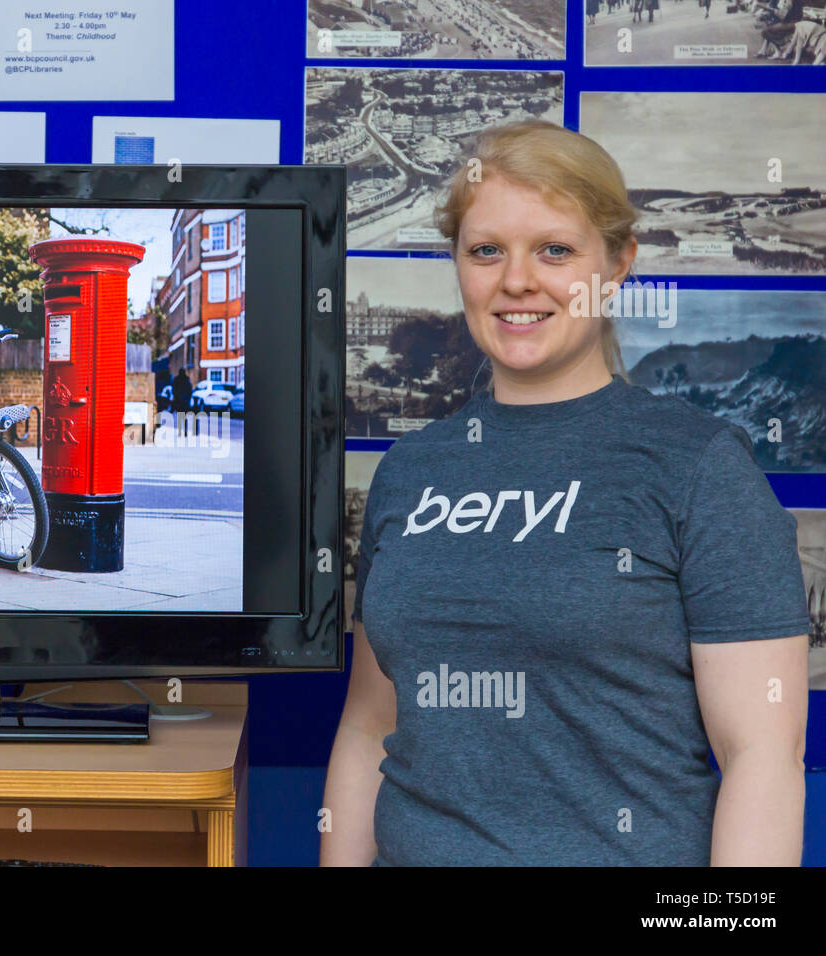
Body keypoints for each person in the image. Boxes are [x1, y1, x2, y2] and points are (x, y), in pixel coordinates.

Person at [321, 120, 810, 867]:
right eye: (487, 250)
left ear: (616, 265)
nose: (517, 280)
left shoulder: (698, 467)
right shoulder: (409, 474)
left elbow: (764, 761)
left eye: (556, 249)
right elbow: (366, 728)